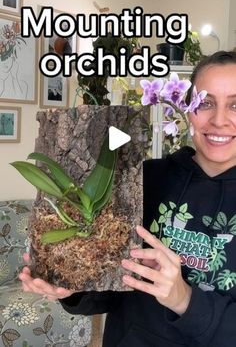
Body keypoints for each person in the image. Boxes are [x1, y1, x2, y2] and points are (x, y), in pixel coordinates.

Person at [19, 51, 236, 347]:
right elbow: (109, 286)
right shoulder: (144, 178)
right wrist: (73, 289)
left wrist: (185, 300)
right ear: (186, 108)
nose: (219, 120)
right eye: (206, 103)